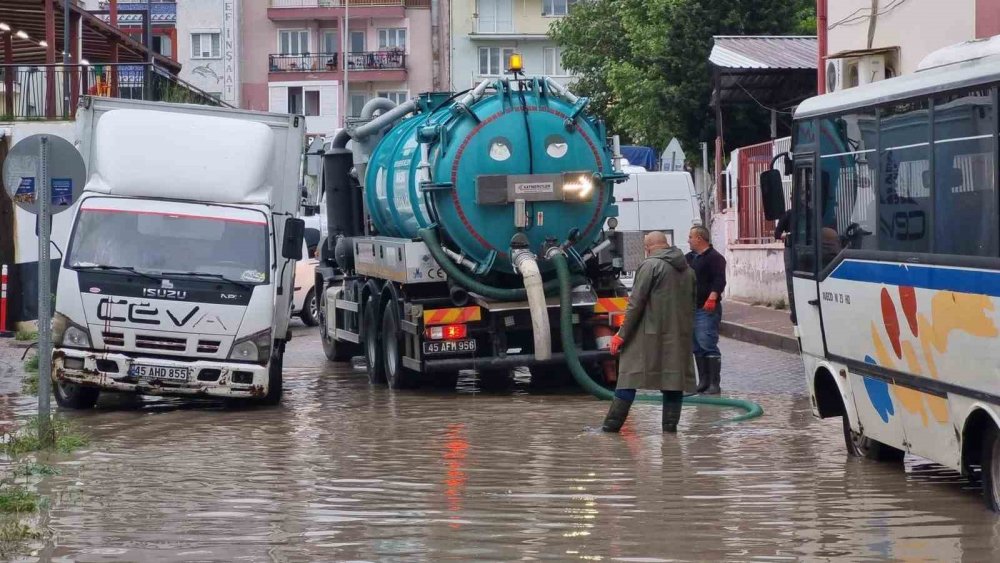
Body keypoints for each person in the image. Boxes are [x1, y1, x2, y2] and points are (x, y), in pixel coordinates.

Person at [603, 231, 696, 434]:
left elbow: (635, 304)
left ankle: (611, 428)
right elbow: (692, 305)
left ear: (649, 247)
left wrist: (621, 335)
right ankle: (670, 432)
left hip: (647, 335)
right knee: (673, 380)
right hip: (678, 336)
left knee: (628, 376)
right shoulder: (688, 270)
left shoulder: (650, 266)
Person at [686, 226, 726, 395]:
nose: (688, 240)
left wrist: (713, 296)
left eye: (690, 237)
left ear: (700, 239)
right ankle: (703, 381)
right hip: (691, 307)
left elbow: (719, 279)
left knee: (707, 342)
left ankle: (714, 383)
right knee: (696, 345)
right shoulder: (688, 258)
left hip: (706, 307)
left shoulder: (715, 258)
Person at [774, 208, 796, 324]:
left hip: (807, 249)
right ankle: (794, 311)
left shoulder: (810, 212)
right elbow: (776, 234)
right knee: (791, 282)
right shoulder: (788, 214)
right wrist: (787, 235)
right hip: (791, 249)